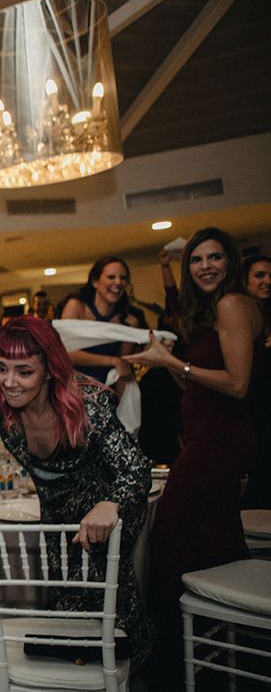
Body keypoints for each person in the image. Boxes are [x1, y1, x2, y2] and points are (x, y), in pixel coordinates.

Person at [0, 317, 153, 671]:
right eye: (1, 369)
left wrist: (110, 503)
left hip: (103, 522)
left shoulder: (87, 402)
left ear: (50, 369)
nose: (9, 382)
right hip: (54, 523)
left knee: (111, 625)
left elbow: (136, 469)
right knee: (64, 633)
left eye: (23, 371)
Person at [124, 227, 265, 690]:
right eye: (197, 259)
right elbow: (204, 385)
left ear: (231, 262)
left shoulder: (233, 304)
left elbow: (238, 384)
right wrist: (171, 363)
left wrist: (174, 364)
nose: (205, 266)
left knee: (170, 537)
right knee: (212, 540)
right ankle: (221, 647)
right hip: (208, 437)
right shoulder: (214, 310)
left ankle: (171, 661)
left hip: (219, 442)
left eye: (215, 257)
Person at [60, 256, 140, 394]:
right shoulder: (76, 307)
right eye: (111, 277)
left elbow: (123, 369)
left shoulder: (129, 322)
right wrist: (112, 360)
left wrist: (121, 409)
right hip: (72, 390)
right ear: (95, 281)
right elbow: (65, 353)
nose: (118, 282)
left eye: (123, 278)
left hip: (105, 393)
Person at [240, 254, 271, 508]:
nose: (267, 281)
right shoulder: (239, 314)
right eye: (259, 275)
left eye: (270, 275)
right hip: (252, 407)